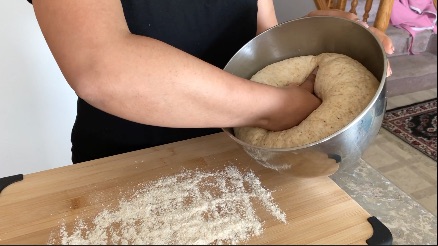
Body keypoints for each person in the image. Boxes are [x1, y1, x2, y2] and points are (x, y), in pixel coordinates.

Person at [26, 0, 394, 164]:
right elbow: (103, 67)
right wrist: (277, 109)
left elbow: (262, 30)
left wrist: (316, 36)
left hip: (246, 155)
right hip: (132, 161)